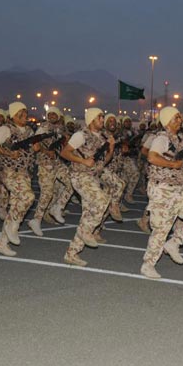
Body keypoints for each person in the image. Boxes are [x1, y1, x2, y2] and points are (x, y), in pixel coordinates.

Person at [140, 107, 183, 279]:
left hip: (180, 186)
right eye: (176, 118)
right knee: (162, 228)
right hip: (163, 188)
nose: (180, 120)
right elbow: (152, 157)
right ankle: (148, 264)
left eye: (179, 117)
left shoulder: (180, 139)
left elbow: (181, 158)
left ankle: (174, 243)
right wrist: (171, 165)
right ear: (167, 121)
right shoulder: (161, 138)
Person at [0, 102, 42, 256]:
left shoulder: (29, 130)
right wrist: (8, 153)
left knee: (16, 206)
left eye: (25, 112)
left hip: (24, 173)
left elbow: (31, 149)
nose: (24, 115)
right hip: (9, 172)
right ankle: (13, 226)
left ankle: (1, 243)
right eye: (20, 113)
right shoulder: (6, 129)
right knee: (28, 197)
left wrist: (36, 148)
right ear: (13, 115)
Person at [58, 107, 115, 267]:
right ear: (91, 119)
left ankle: (72, 253)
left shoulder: (102, 137)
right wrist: (83, 161)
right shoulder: (80, 135)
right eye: (99, 117)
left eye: (103, 117)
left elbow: (105, 160)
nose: (102, 120)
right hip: (80, 176)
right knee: (102, 201)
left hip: (93, 178)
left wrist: (111, 148)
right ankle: (86, 233)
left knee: (88, 216)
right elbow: (64, 153)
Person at [27, 107, 71, 236]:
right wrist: (46, 151)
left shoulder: (61, 128)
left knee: (73, 182)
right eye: (49, 114)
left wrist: (66, 141)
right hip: (45, 165)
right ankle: (36, 220)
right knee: (47, 194)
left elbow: (64, 146)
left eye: (54, 114)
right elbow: (35, 144)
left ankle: (58, 207)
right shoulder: (43, 127)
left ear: (58, 116)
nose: (52, 116)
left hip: (58, 163)